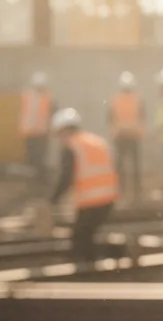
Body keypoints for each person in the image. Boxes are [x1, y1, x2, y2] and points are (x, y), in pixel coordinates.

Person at [47, 108, 118, 262]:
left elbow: (66, 178)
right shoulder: (97, 142)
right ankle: (101, 261)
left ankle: (90, 271)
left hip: (90, 201)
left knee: (79, 240)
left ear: (64, 130)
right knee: (87, 236)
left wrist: (52, 200)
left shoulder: (72, 147)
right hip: (108, 199)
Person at [108, 71, 145, 201]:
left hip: (121, 136)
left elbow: (110, 117)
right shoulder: (137, 99)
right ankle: (137, 192)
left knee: (121, 166)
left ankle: (121, 191)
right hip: (133, 136)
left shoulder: (115, 99)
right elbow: (142, 116)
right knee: (134, 165)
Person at [18, 71, 55, 182]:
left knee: (37, 156)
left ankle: (36, 177)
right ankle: (35, 177)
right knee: (34, 156)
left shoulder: (30, 96)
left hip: (37, 132)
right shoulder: (44, 97)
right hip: (35, 132)